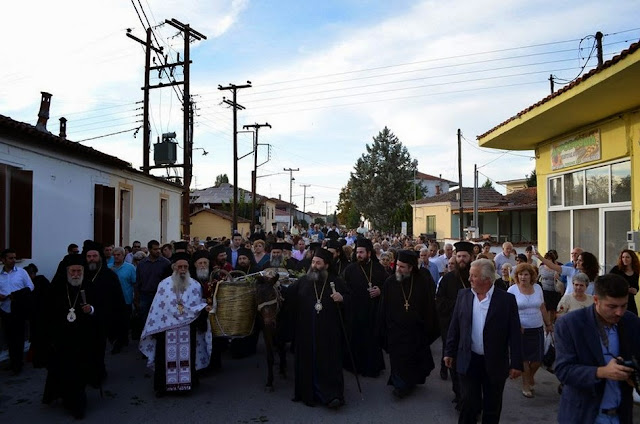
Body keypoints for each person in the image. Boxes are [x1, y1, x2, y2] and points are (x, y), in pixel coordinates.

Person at [444, 258, 523, 424]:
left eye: (473, 276)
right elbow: (455, 326)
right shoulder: (463, 295)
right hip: (468, 359)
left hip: (494, 362)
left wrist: (516, 363)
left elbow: (514, 333)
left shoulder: (506, 300)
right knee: (468, 403)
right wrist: (449, 352)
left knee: (492, 407)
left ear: (487, 279)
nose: (469, 279)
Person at [555, 273, 640, 424]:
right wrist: (602, 372)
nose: (619, 312)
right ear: (596, 300)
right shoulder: (570, 324)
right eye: (612, 306)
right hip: (584, 415)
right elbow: (563, 370)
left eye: (624, 306)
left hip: (621, 415)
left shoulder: (631, 322)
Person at [139, 252, 212, 396]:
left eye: (185, 266)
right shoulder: (164, 284)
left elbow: (197, 306)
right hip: (166, 329)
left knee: (187, 357)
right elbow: (158, 307)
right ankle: (163, 387)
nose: (183, 269)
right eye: (180, 266)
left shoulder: (195, 285)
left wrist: (204, 309)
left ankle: (186, 385)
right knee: (163, 358)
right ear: (174, 268)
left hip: (187, 327)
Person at [42, 254, 103, 419]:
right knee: (65, 373)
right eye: (73, 271)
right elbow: (48, 314)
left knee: (79, 374)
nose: (76, 274)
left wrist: (91, 310)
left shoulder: (89, 287)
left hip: (84, 340)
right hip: (62, 341)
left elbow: (101, 310)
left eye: (79, 271)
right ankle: (69, 400)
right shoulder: (57, 288)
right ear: (67, 271)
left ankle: (78, 406)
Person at [289, 248, 349, 408]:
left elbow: (351, 302)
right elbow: (290, 299)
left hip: (329, 333)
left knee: (328, 363)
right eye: (313, 262)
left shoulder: (337, 282)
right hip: (307, 332)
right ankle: (308, 393)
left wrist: (342, 298)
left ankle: (331, 395)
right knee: (308, 361)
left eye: (318, 263)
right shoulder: (303, 281)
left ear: (327, 265)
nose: (314, 265)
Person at [379, 250, 439, 398]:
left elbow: (429, 307)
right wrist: (383, 328)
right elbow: (383, 308)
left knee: (413, 360)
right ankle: (400, 386)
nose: (398, 269)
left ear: (411, 268)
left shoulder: (422, 282)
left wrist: (427, 326)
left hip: (415, 331)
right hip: (395, 330)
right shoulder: (390, 282)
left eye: (402, 267)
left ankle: (409, 382)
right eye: (397, 265)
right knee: (398, 360)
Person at [342, 238, 387, 377]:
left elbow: (388, 285)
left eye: (361, 252)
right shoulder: (349, 270)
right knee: (356, 339)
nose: (358, 255)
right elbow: (343, 288)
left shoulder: (379, 268)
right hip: (355, 311)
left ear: (369, 253)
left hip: (373, 312)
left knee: (372, 340)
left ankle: (372, 368)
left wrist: (380, 291)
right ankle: (355, 366)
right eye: (357, 252)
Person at [436, 241, 474, 403]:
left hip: (473, 328)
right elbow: (440, 303)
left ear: (471, 257)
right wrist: (461, 305)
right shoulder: (447, 280)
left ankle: (468, 394)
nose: (461, 260)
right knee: (454, 361)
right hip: (452, 327)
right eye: (458, 256)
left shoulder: (477, 278)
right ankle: (459, 394)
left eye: (464, 256)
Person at [507, 263, 552, 398]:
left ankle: (530, 376)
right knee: (525, 359)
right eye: (520, 274)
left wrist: (548, 324)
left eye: (526, 274)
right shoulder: (512, 290)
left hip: (537, 328)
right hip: (521, 330)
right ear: (517, 276)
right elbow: (508, 311)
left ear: (531, 276)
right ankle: (526, 385)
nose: (523, 277)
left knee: (538, 359)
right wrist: (514, 325)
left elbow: (543, 307)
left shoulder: (538, 288)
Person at [0, 248, 34, 375]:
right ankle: (12, 361)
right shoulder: (0, 275)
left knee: (19, 337)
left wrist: (17, 295)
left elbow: (30, 286)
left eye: (14, 258)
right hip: (5, 308)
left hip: (18, 309)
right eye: (10, 258)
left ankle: (18, 364)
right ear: (3, 260)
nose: (13, 260)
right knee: (9, 337)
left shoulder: (21, 272)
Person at [134, 240, 172, 339]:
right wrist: (136, 299)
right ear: (150, 250)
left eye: (159, 248)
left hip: (160, 297)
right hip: (145, 296)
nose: (158, 251)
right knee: (145, 320)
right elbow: (138, 282)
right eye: (155, 249)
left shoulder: (166, 263)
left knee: (159, 320)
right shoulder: (142, 264)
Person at [23, 263, 50, 368]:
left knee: (40, 336)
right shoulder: (30, 283)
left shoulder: (41, 281)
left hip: (42, 313)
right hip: (34, 314)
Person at [110, 247, 137, 353]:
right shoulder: (109, 267)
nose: (116, 257)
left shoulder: (130, 268)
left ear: (123, 256)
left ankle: (122, 340)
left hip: (126, 299)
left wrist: (136, 298)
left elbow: (134, 283)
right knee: (115, 322)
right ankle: (118, 341)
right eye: (114, 255)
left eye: (118, 255)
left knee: (124, 322)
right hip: (112, 301)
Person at [609, 249, 639, 316]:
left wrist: (635, 290)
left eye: (627, 257)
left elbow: (636, 286)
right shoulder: (616, 269)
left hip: (630, 301)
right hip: (617, 299)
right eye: (623, 257)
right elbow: (608, 282)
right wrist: (624, 289)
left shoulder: (635, 272)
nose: (625, 259)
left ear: (632, 259)